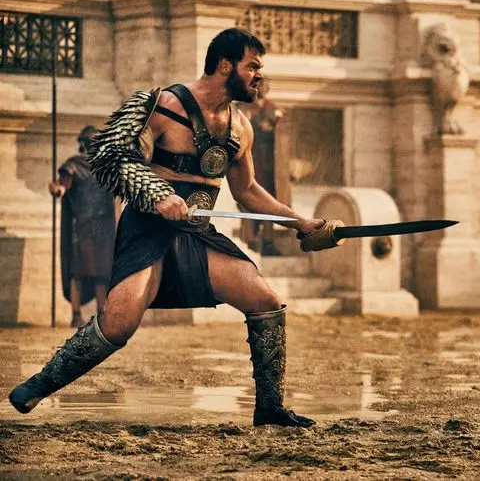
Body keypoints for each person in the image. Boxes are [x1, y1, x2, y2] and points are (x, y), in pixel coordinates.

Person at [9, 28, 341, 428]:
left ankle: (269, 409)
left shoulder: (241, 128)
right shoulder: (163, 105)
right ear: (225, 65)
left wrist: (299, 221)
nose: (259, 75)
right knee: (118, 323)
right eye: (252, 66)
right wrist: (157, 194)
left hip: (197, 235)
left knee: (265, 300)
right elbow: (111, 155)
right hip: (147, 231)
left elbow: (249, 192)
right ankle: (37, 386)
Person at [49, 125, 117, 328]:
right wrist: (57, 189)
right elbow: (63, 185)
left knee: (102, 273)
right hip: (82, 228)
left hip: (103, 227)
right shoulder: (73, 166)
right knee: (78, 272)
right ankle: (76, 315)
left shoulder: (107, 167)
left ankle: (101, 314)